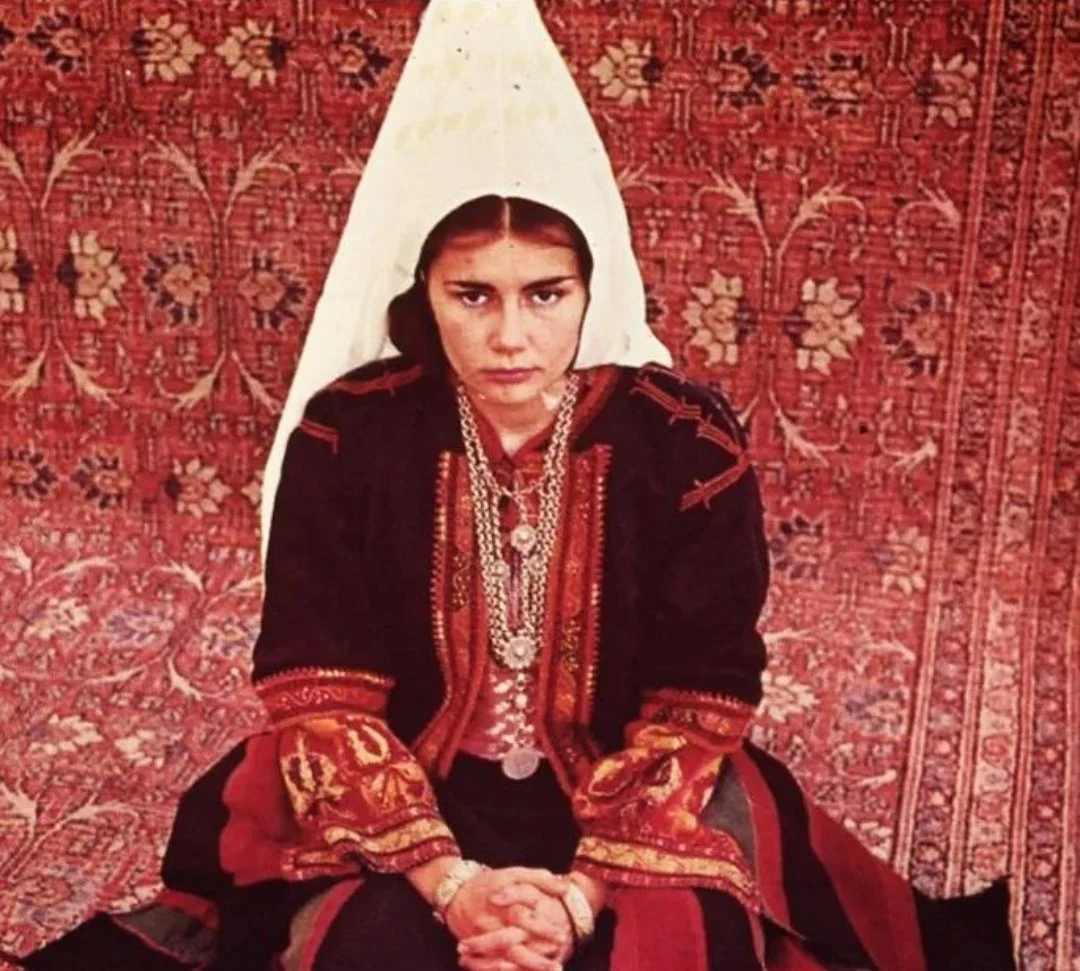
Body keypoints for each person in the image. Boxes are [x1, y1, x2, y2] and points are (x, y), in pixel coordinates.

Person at [16, 2, 1017, 970]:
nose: (509, 336)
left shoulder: (686, 442)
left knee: (682, 947)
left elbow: (698, 693)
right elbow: (321, 684)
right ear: (423, 293)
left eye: (546, 294)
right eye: (472, 295)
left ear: (590, 290)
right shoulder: (348, 432)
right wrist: (452, 885)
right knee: (358, 947)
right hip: (404, 777)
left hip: (631, 778)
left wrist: (577, 896)